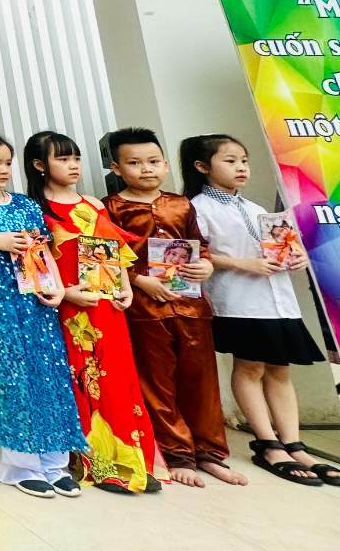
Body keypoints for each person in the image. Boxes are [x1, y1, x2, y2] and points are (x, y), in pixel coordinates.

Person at [183, 134, 340, 487]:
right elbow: (193, 253)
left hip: (279, 301)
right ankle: (268, 444)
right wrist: (243, 264)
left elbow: (282, 248)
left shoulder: (258, 209)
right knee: (251, 366)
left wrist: (297, 257)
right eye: (230, 161)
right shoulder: (197, 207)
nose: (241, 167)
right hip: (239, 301)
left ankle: (295, 445)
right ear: (202, 167)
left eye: (244, 160)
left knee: (280, 370)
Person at [102, 128, 245, 487]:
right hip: (144, 310)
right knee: (157, 383)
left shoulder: (182, 204)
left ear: (165, 164)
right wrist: (139, 279)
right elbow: (105, 257)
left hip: (191, 306)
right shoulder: (110, 208)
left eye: (153, 161)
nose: (146, 169)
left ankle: (210, 452)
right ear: (117, 168)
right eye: (135, 163)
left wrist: (206, 265)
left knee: (201, 381)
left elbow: (200, 245)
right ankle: (177, 453)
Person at [24, 130, 160, 494]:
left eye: (76, 158)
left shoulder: (94, 204)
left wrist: (125, 288)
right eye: (62, 159)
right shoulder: (33, 209)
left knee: (117, 376)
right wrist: (65, 293)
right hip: (65, 311)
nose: (73, 166)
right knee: (81, 379)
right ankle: (94, 463)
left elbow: (114, 251)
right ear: (39, 165)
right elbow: (33, 264)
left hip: (106, 306)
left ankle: (131, 459)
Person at [0, 132, 86, 499]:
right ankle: (19, 465)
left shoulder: (26, 204)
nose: (3, 170)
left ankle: (55, 464)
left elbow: (45, 249)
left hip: (37, 303)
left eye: (8, 163)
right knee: (8, 378)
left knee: (49, 376)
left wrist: (57, 288)